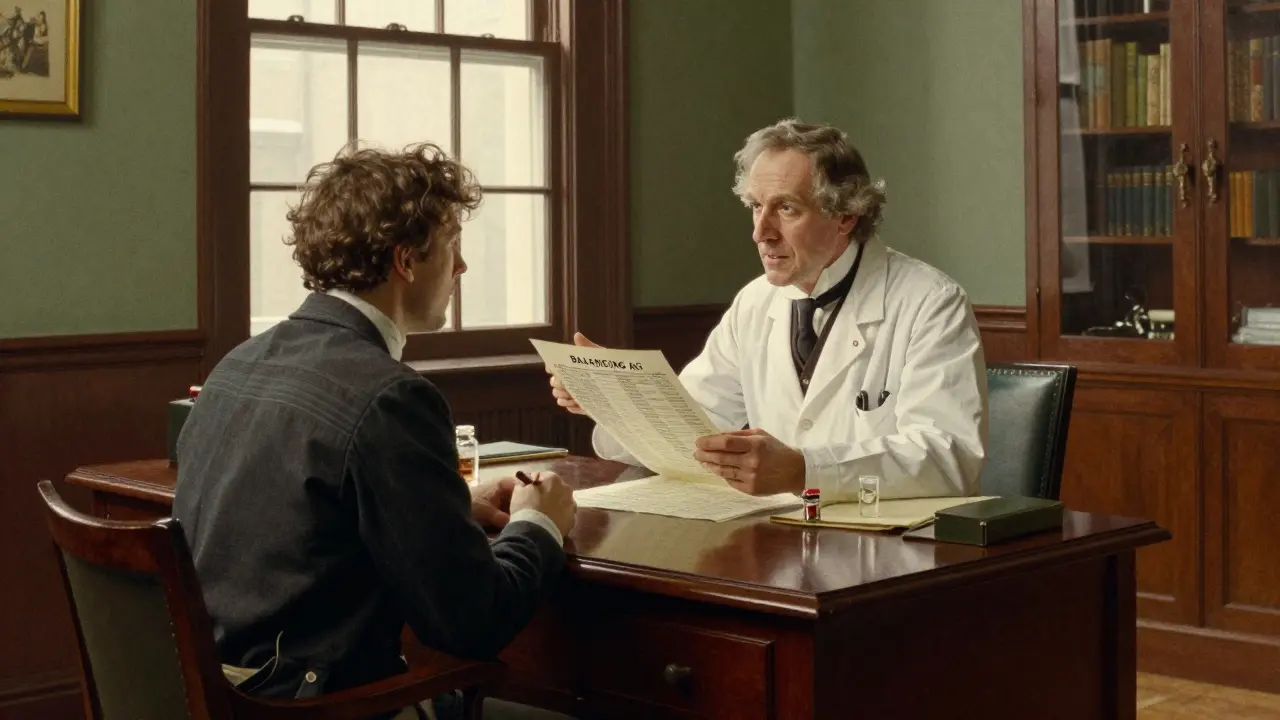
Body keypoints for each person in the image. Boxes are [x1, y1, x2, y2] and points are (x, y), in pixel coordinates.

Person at [173, 143, 577, 720]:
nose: (461, 268)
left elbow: (299, 523)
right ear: (406, 261)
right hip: (317, 706)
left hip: (220, 695)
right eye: (453, 248)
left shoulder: (236, 365)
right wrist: (541, 524)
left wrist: (451, 505)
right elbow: (473, 623)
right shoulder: (391, 396)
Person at [549, 118, 987, 502]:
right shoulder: (755, 302)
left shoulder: (930, 302)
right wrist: (610, 399)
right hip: (777, 541)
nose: (761, 232)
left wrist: (804, 470)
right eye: (756, 207)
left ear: (846, 216)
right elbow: (692, 426)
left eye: (786, 209)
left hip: (892, 554)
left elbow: (949, 454)